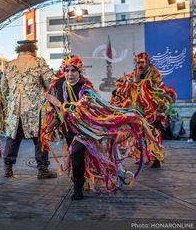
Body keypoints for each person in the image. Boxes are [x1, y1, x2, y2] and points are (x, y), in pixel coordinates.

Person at [41, 55, 162, 200]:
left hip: (86, 130)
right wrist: (52, 124)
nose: (70, 74)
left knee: (79, 153)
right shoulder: (59, 83)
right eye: (67, 70)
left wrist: (64, 106)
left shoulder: (86, 88)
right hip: (69, 130)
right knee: (76, 159)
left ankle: (79, 188)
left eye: (73, 71)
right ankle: (82, 180)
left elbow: (84, 109)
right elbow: (57, 110)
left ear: (79, 71)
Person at [1, 40, 57, 179]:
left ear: (19, 50)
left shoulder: (9, 65)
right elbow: (51, 84)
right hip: (35, 110)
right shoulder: (38, 62)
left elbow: (4, 90)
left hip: (15, 110)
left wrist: (13, 102)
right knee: (40, 139)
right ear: (34, 49)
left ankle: (8, 168)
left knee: (12, 137)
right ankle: (42, 169)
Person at [111, 52, 176, 168]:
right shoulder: (135, 74)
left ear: (147, 62)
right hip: (138, 110)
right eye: (138, 62)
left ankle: (156, 158)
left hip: (153, 111)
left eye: (142, 62)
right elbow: (126, 86)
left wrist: (139, 83)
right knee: (139, 134)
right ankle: (143, 156)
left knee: (154, 133)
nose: (139, 64)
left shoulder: (154, 74)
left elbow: (157, 89)